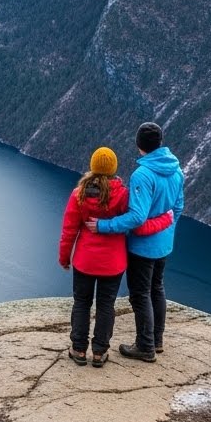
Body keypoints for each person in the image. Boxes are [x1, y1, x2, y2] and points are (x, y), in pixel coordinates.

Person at [60, 146, 173, 368]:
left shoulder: (79, 194)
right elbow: (136, 220)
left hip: (85, 261)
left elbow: (69, 230)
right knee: (106, 305)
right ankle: (100, 353)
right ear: (113, 168)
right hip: (113, 263)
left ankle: (79, 349)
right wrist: (166, 220)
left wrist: (65, 258)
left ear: (92, 166)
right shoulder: (123, 194)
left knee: (82, 303)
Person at [85, 122, 185, 363]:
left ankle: (145, 346)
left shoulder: (143, 174)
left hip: (142, 246)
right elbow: (178, 207)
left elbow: (137, 216)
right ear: (160, 143)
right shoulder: (176, 170)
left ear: (139, 144)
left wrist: (103, 226)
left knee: (140, 294)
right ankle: (157, 340)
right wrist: (165, 229)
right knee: (157, 288)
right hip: (163, 244)